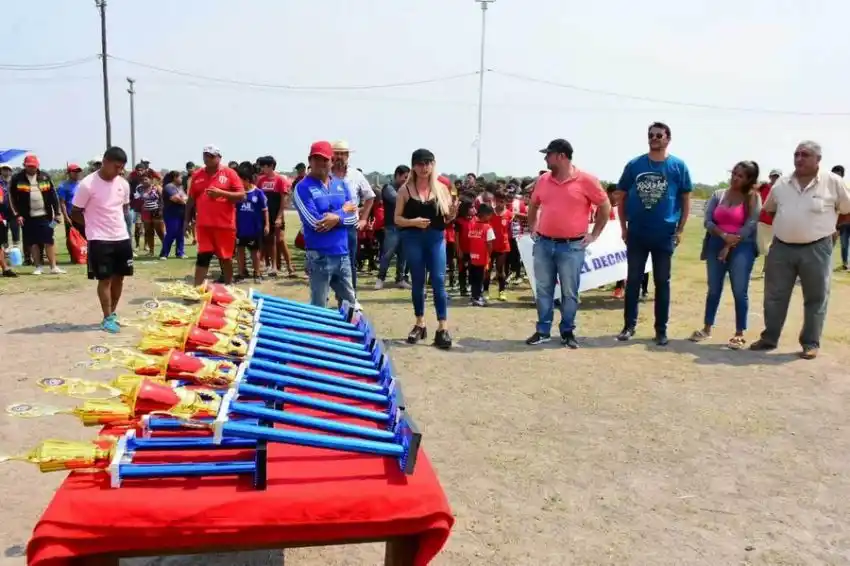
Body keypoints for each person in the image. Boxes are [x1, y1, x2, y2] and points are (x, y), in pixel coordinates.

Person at [750, 141, 850, 359]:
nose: (799, 159)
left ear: (818, 159)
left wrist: (830, 229)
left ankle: (810, 343)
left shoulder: (833, 182)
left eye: (805, 155)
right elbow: (770, 209)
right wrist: (787, 226)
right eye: (796, 154)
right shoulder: (782, 183)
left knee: (816, 297)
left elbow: (847, 210)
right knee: (774, 295)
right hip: (781, 247)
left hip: (817, 247)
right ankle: (769, 337)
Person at [526, 139, 610, 348]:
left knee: (569, 292)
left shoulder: (587, 180)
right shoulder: (543, 180)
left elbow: (604, 205)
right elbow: (533, 205)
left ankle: (567, 332)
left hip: (572, 247)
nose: (545, 159)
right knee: (543, 289)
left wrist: (594, 234)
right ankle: (543, 330)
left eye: (548, 154)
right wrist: (533, 228)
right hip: (544, 243)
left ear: (561, 156)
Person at [615, 122, 692, 346]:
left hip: (665, 233)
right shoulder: (635, 165)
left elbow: (685, 198)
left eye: (659, 135)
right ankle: (629, 326)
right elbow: (621, 196)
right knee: (633, 280)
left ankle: (661, 330)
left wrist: (680, 229)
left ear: (668, 139)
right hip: (637, 232)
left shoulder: (678, 166)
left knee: (662, 282)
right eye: (651, 135)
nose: (654, 138)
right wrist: (623, 227)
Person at [688, 161, 762, 349]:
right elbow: (708, 221)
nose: (735, 178)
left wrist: (730, 243)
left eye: (740, 176)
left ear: (749, 179)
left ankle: (739, 333)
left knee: (739, 290)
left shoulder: (753, 198)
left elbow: (751, 223)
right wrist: (723, 236)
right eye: (734, 173)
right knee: (713, 288)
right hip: (715, 243)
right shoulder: (718, 195)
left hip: (743, 246)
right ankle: (707, 328)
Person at [394, 148, 457, 349]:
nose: (424, 167)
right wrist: (413, 222)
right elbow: (397, 219)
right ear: (413, 166)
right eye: (420, 163)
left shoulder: (441, 188)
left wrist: (453, 213)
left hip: (436, 238)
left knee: (438, 280)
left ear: (433, 165)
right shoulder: (405, 190)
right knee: (418, 280)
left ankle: (442, 327)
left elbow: (447, 218)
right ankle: (420, 323)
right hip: (413, 238)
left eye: (428, 163)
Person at [71, 147, 133, 333]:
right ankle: (106, 317)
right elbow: (75, 212)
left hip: (121, 237)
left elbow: (124, 208)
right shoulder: (87, 184)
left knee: (119, 278)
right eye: (116, 167)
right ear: (105, 162)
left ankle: (113, 313)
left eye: (121, 167)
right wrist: (91, 226)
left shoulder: (123, 184)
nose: (119, 171)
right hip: (99, 239)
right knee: (105, 279)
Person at [293, 141, 357, 308]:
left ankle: (348, 327)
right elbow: (315, 223)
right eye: (316, 159)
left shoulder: (341, 184)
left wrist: (336, 218)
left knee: (351, 304)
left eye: (325, 159)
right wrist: (342, 211)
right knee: (319, 306)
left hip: (342, 254)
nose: (321, 163)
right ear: (309, 160)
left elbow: (354, 218)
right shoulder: (302, 188)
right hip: (319, 256)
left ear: (332, 161)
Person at [185, 145, 245, 286]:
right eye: (205, 155)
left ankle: (229, 286)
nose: (208, 159)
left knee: (225, 257)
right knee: (203, 256)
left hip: (224, 225)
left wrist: (221, 193)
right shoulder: (197, 175)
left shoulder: (229, 173)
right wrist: (186, 221)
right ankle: (197, 288)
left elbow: (242, 195)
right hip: (204, 225)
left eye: (211, 156)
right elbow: (191, 200)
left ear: (219, 158)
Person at [7, 154, 65, 275]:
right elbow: (12, 198)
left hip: (45, 216)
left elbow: (53, 196)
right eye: (29, 166)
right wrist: (17, 215)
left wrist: (57, 213)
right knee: (33, 242)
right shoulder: (17, 178)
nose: (32, 168)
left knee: (49, 240)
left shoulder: (45, 176)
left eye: (34, 166)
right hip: (27, 217)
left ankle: (53, 267)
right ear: (24, 165)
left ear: (38, 166)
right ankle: (38, 267)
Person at [331, 140, 374, 291]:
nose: (339, 157)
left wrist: (363, 219)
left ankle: (350, 298)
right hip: (329, 226)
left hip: (349, 227)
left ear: (347, 156)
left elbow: (370, 197)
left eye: (342, 154)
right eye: (336, 153)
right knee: (329, 263)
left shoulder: (356, 175)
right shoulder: (325, 174)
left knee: (349, 263)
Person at [256, 155, 295, 277]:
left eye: (264, 166)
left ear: (271, 166)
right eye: (261, 166)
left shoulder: (280, 180)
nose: (262, 169)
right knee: (269, 240)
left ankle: (289, 266)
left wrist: (279, 216)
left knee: (280, 240)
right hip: (265, 215)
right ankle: (272, 267)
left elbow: (284, 200)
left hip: (276, 213)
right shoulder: (261, 180)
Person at [374, 165, 411, 289]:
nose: (406, 180)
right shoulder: (388, 188)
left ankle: (400, 279)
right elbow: (398, 200)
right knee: (387, 254)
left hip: (404, 227)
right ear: (398, 175)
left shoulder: (405, 189)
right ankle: (381, 278)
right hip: (392, 227)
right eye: (405, 177)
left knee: (403, 255)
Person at [235, 161, 269, 282]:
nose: (238, 183)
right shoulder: (237, 194)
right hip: (240, 228)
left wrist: (267, 225)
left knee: (255, 251)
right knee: (240, 250)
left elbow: (265, 210)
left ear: (247, 180)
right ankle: (241, 273)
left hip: (254, 228)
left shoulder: (258, 193)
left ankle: (257, 273)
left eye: (240, 180)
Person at [467, 203, 495, 306]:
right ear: (486, 215)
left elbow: (470, 240)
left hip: (473, 257)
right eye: (490, 215)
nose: (491, 217)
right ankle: (477, 297)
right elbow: (490, 244)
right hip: (482, 258)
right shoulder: (488, 228)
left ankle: (474, 296)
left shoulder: (472, 225)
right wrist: (489, 256)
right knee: (479, 278)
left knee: (474, 277)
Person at [755, 168, 782, 274]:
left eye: (777, 176)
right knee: (763, 247)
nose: (775, 178)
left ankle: (767, 268)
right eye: (773, 176)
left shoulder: (782, 189)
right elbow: (752, 191)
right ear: (770, 177)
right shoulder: (764, 187)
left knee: (771, 248)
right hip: (762, 221)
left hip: (775, 222)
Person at [489, 190, 513, 301]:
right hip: (490, 245)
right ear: (495, 200)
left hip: (503, 246)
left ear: (505, 202)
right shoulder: (490, 212)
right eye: (498, 201)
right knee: (487, 269)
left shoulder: (509, 214)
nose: (500, 203)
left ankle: (502, 292)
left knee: (500, 269)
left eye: (502, 201)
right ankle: (485, 290)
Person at [57, 164, 84, 257]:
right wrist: (66, 217)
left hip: (83, 215)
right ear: (69, 173)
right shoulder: (63, 186)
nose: (77, 173)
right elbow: (62, 203)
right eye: (74, 171)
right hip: (71, 215)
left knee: (84, 235)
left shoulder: (82, 184)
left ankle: (84, 255)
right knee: (71, 236)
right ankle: (73, 256)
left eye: (78, 171)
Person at [159, 170, 187, 259]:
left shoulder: (180, 187)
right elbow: (176, 199)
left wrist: (184, 200)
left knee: (180, 233)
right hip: (171, 214)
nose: (181, 179)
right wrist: (184, 200)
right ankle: (164, 254)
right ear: (175, 178)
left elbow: (185, 198)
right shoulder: (169, 187)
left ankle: (180, 253)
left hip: (181, 213)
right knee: (171, 233)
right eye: (180, 177)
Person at [139, 173, 164, 256]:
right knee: (149, 232)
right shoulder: (140, 189)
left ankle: (165, 249)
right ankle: (151, 251)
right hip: (146, 212)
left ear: (151, 179)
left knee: (160, 232)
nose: (144, 181)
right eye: (142, 180)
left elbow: (163, 199)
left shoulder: (157, 187)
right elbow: (139, 199)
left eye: (146, 179)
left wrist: (161, 210)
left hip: (157, 212)